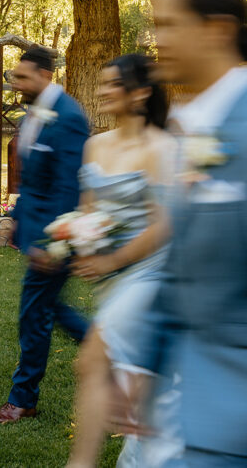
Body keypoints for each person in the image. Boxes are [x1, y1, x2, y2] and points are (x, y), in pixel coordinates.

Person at [123, 0, 247, 467]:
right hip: (190, 419)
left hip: (242, 428)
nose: (157, 41)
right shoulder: (199, 131)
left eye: (170, 25)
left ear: (217, 31)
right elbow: (181, 267)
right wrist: (145, 363)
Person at [66, 54, 180, 467]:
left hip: (150, 272)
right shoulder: (94, 145)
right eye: (102, 83)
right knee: (137, 375)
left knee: (91, 360)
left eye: (113, 83)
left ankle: (80, 463)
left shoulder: (161, 147)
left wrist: (111, 261)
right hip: (108, 276)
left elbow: (163, 225)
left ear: (141, 93)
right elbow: (88, 208)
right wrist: (78, 238)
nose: (102, 90)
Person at [0, 46, 89, 424]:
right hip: (39, 230)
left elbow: (67, 187)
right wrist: (17, 218)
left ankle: (22, 398)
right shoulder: (37, 112)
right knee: (48, 310)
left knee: (34, 314)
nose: (17, 83)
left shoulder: (70, 117)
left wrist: (51, 243)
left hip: (56, 239)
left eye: (23, 77)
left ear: (45, 75)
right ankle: (109, 349)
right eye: (15, 76)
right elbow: (33, 180)